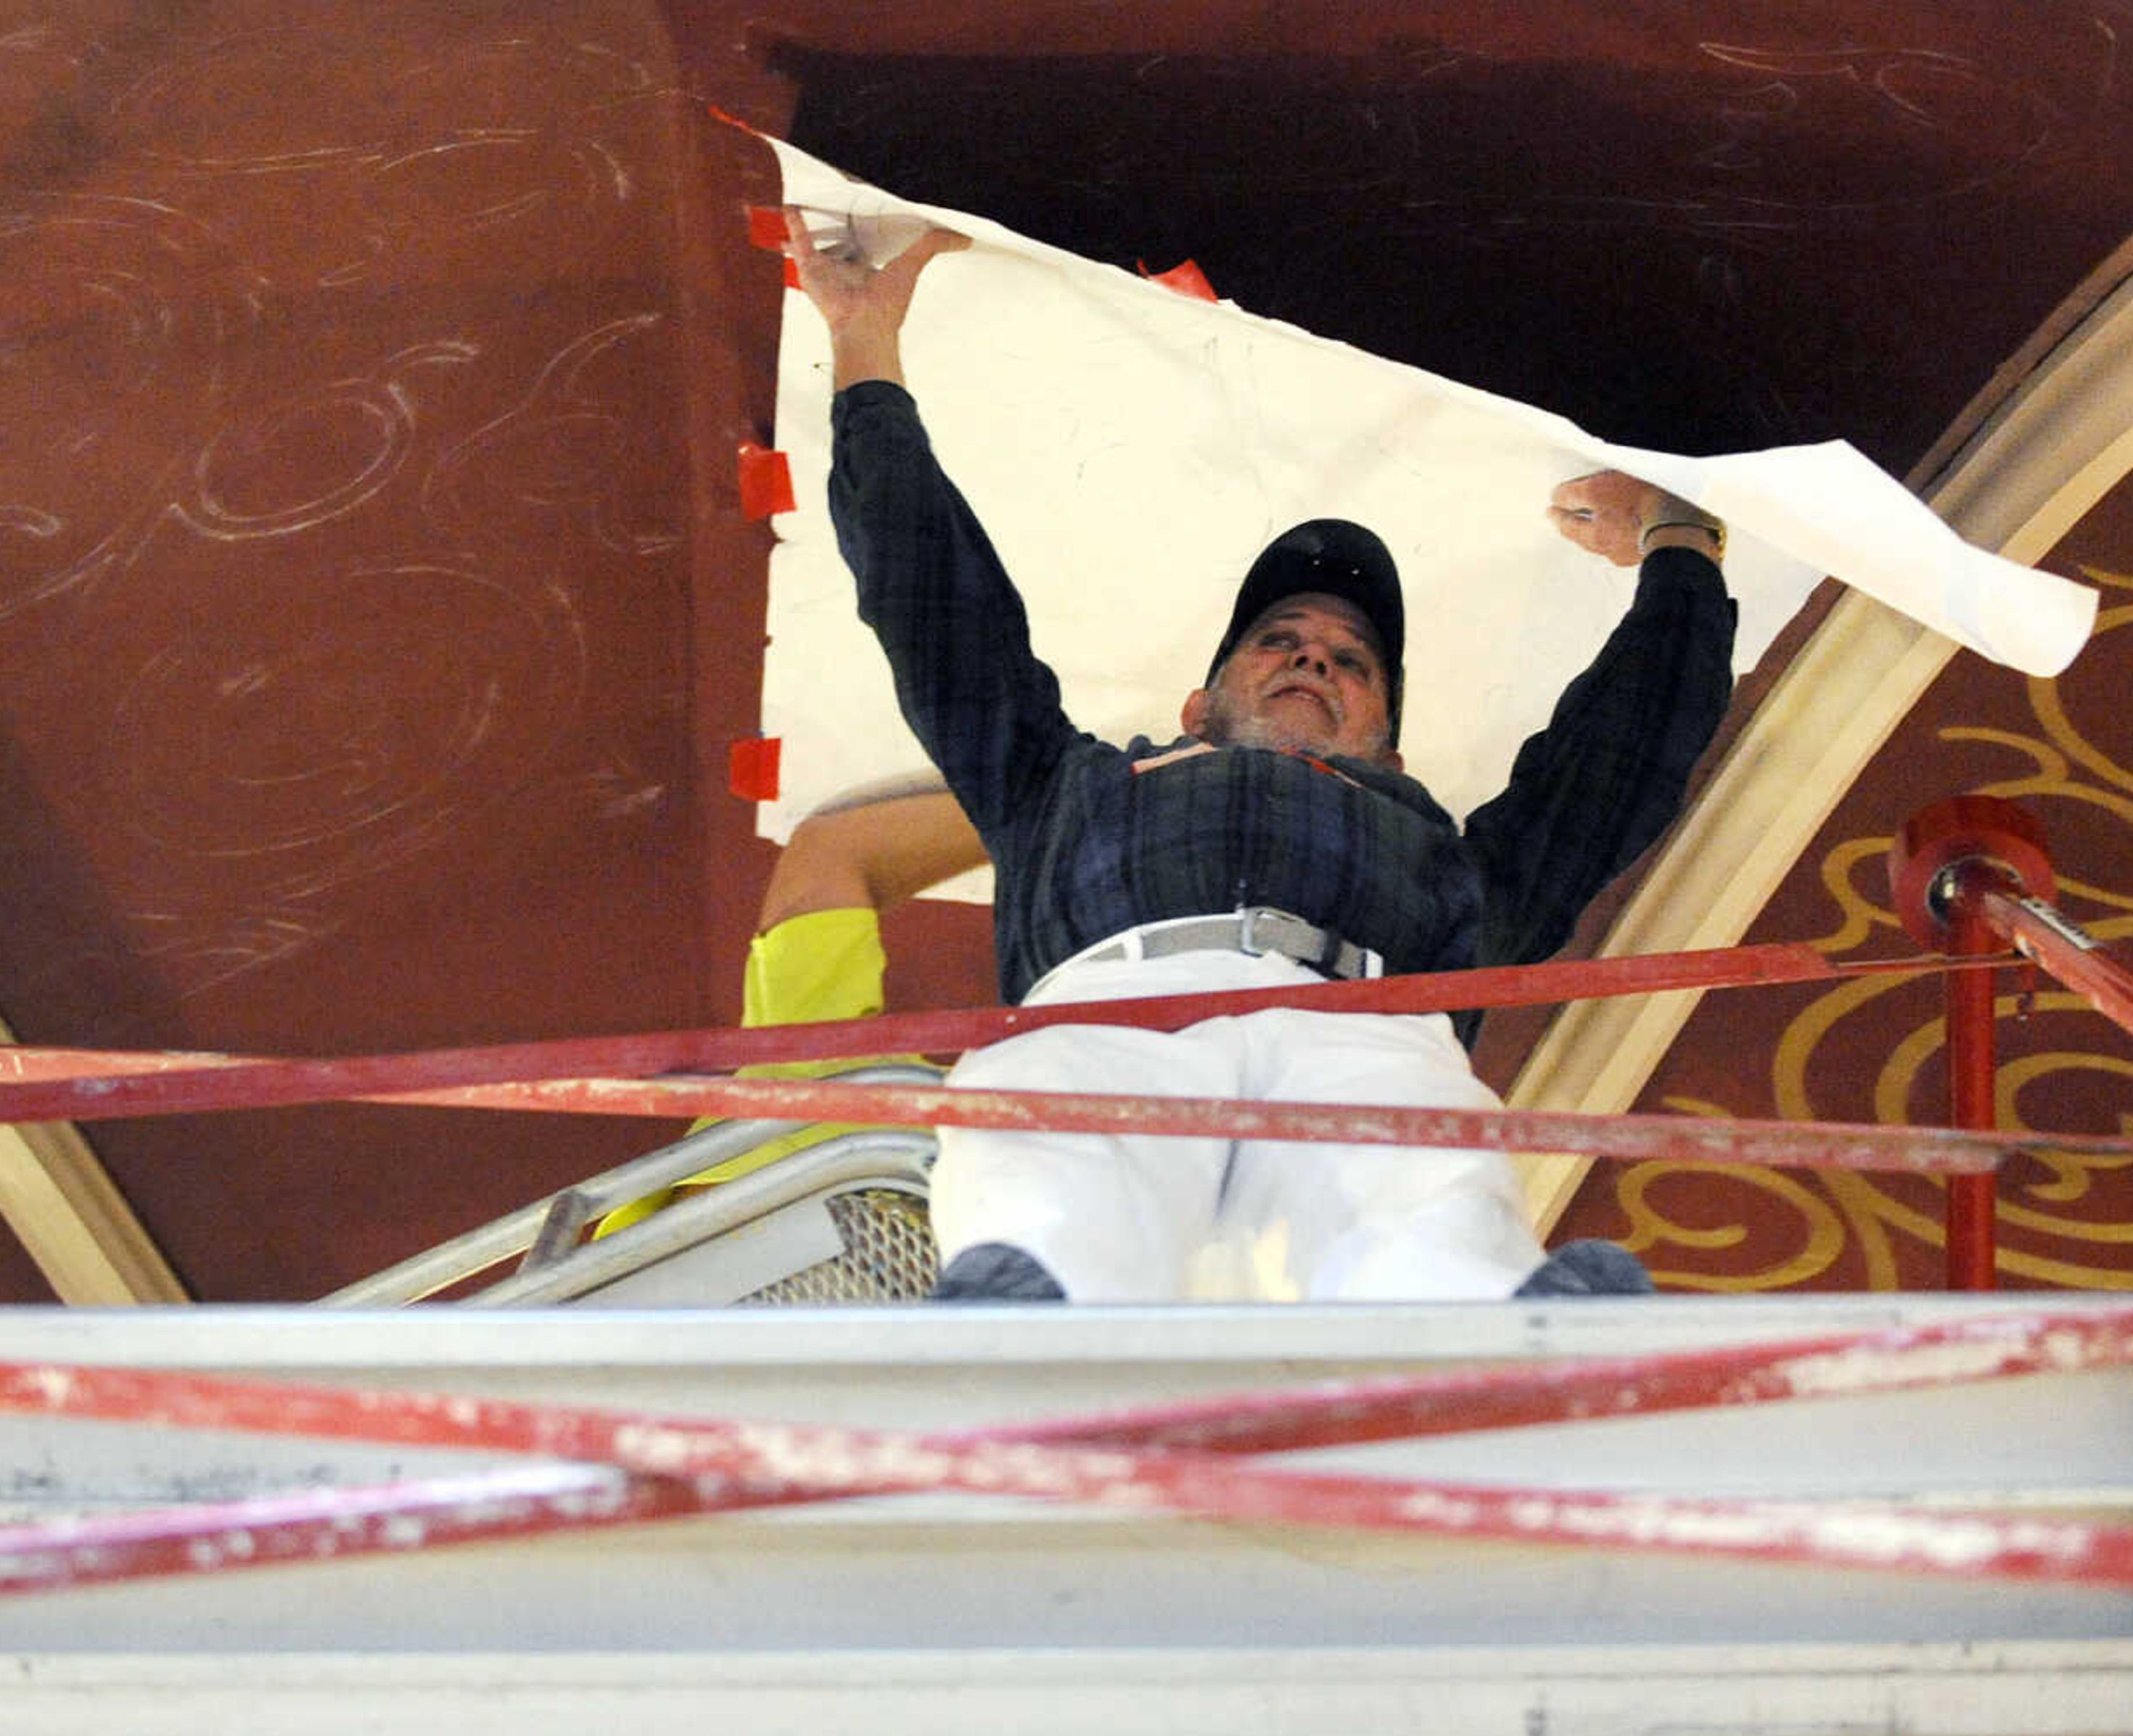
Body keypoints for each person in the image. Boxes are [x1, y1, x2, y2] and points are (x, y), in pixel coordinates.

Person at [784, 206, 1736, 1302]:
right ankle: (1020, 1333)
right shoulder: (1065, 786)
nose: (1314, 661)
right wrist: (863, 341)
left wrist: (1681, 539)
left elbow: (1621, 756)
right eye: (1278, 642)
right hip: (1113, 1013)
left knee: (1423, 1204)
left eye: (1350, 661)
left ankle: (1509, 1344)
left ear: (1389, 747)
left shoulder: (1458, 869)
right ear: (1198, 703)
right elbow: (933, 602)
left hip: (1368, 1025)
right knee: (1051, 1175)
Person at [589, 781, 985, 1241]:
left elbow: (833, 855)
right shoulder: (812, 1091)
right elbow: (832, 854)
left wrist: (1062, 821)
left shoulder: (812, 1089)